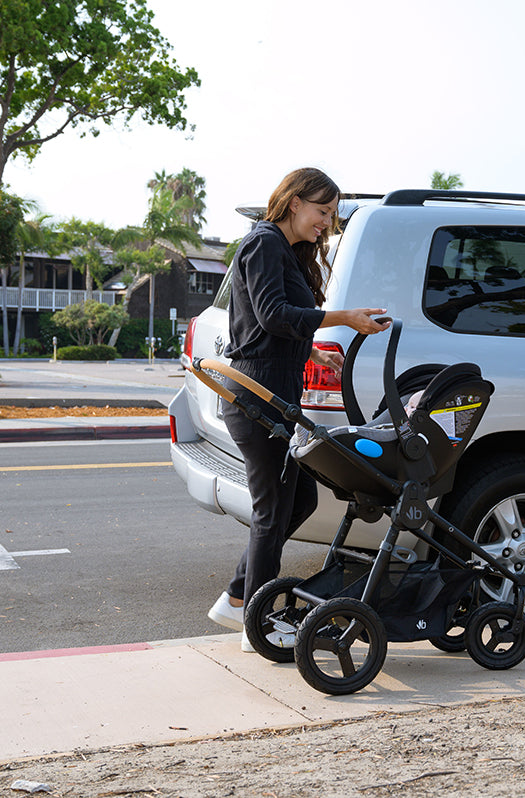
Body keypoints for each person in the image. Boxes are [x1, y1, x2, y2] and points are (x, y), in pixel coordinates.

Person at [206, 167, 390, 652]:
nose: (326, 224)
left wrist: (310, 351)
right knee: (273, 512)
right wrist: (342, 318)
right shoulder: (264, 242)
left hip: (273, 395)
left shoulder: (281, 249)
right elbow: (271, 316)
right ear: (295, 203)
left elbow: (260, 322)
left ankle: (238, 596)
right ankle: (256, 622)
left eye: (331, 215)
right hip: (257, 398)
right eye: (322, 211)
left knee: (301, 500)